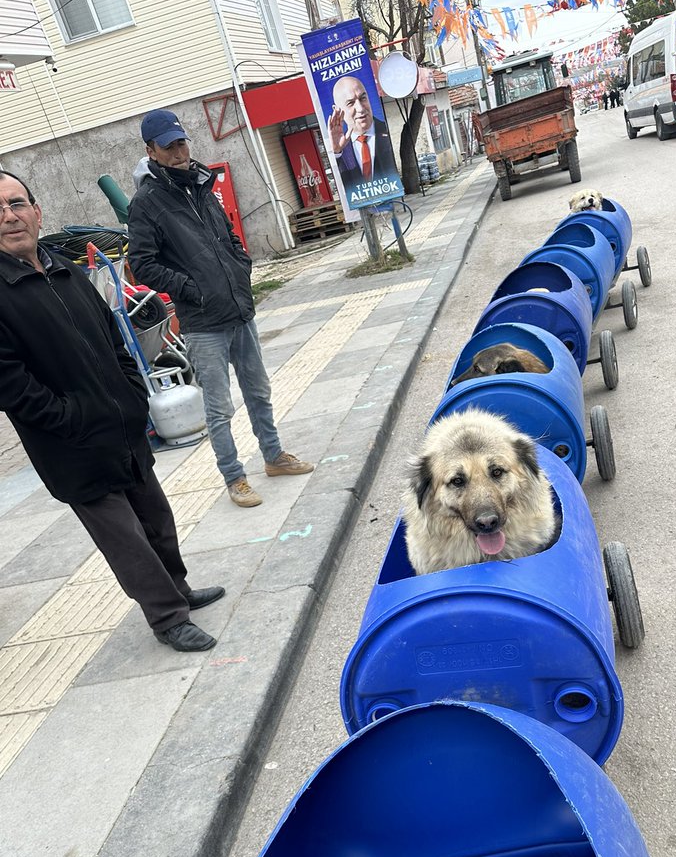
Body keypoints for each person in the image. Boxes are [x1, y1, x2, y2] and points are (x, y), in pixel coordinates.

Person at [0, 170, 223, 652]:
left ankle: (179, 589)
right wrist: (70, 419)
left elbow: (114, 337)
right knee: (128, 541)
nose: (9, 216)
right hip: (72, 446)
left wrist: (131, 393)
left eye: (17, 204)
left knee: (157, 520)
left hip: (122, 425)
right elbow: (10, 383)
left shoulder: (64, 268)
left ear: (37, 213)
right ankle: (167, 617)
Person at [127, 110, 314, 508]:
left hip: (238, 311)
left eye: (181, 143)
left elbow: (227, 233)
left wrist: (240, 264)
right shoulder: (146, 202)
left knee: (259, 391)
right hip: (202, 322)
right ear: (151, 150)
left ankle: (274, 456)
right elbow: (142, 264)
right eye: (168, 147)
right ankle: (234, 477)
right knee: (219, 407)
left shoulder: (199, 183)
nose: (178, 152)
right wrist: (189, 289)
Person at [328, 77, 395, 190]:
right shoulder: (341, 149)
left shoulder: (388, 131)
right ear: (337, 109)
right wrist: (337, 153)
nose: (360, 108)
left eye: (363, 98)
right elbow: (340, 187)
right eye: (350, 103)